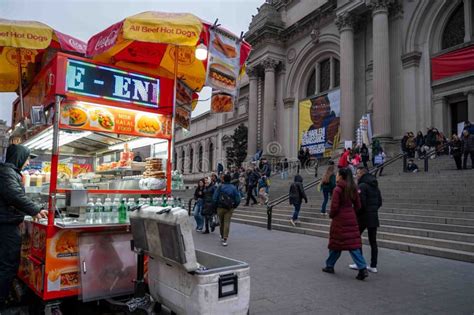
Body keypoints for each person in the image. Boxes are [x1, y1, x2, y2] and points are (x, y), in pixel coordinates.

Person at [0, 144, 48, 306]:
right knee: (8, 264)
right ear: (19, 157)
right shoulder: (7, 172)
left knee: (6, 263)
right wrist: (35, 210)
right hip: (5, 225)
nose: (27, 163)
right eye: (26, 159)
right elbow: (14, 195)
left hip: (6, 222)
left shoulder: (8, 172)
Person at [322, 168, 368, 280]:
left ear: (341, 176)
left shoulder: (338, 189)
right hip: (351, 218)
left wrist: (332, 215)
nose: (336, 176)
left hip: (340, 220)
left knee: (335, 244)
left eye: (337, 174)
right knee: (353, 245)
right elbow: (358, 205)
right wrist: (351, 213)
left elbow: (334, 207)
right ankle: (362, 267)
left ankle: (330, 265)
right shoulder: (353, 188)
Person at [349, 167, 382, 274]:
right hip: (373, 216)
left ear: (362, 174)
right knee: (373, 241)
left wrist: (356, 213)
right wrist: (373, 210)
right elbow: (380, 202)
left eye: (358, 173)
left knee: (356, 238)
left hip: (363, 217)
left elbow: (360, 204)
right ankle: (373, 265)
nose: (356, 175)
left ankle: (360, 263)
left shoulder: (362, 186)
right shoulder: (375, 186)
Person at [213, 174, 241, 246]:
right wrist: (234, 206)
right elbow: (238, 198)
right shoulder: (233, 188)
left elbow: (214, 197)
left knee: (221, 222)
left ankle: (222, 235)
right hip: (229, 208)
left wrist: (215, 206)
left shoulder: (220, 187)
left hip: (220, 207)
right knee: (227, 222)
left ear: (223, 179)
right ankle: (225, 238)